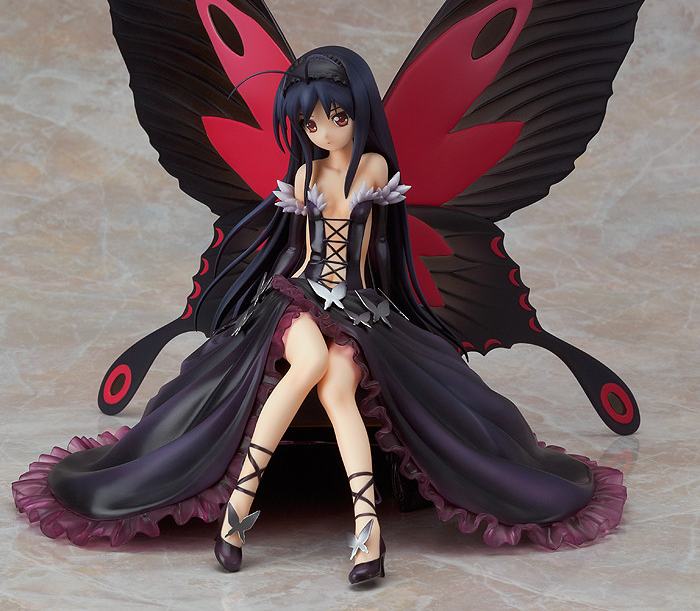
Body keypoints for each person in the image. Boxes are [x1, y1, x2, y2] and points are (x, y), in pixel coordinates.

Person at [13, 46, 626, 585]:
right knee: (306, 361)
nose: (324, 131)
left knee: (336, 388)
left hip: (357, 304)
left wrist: (371, 307)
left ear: (359, 111)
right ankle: (238, 508)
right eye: (310, 122)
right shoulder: (305, 173)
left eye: (336, 116)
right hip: (300, 295)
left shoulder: (373, 169)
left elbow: (372, 253)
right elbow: (305, 253)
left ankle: (367, 531)